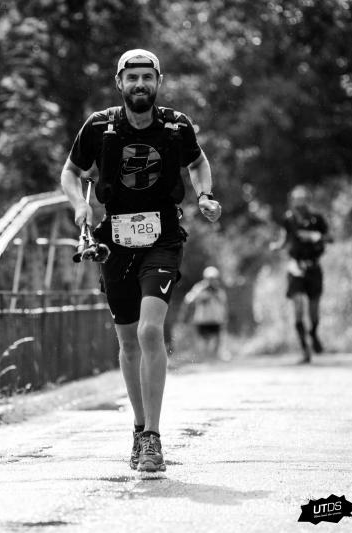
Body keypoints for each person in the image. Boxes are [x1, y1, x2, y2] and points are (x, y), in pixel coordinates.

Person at [60, 49, 221, 475]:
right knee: (128, 341)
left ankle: (153, 436)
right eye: (131, 78)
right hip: (114, 241)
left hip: (162, 237)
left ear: (158, 82)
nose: (140, 85)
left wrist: (204, 195)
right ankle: (137, 427)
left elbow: (198, 162)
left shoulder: (177, 126)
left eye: (147, 77)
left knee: (150, 331)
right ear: (119, 83)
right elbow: (70, 172)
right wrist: (79, 204)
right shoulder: (99, 126)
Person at [270, 186, 330, 363]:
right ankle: (305, 350)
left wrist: (313, 236)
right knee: (297, 307)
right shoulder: (289, 219)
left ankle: (314, 333)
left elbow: (330, 237)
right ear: (292, 201)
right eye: (296, 200)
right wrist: (277, 246)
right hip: (295, 267)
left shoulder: (317, 219)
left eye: (302, 200)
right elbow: (285, 239)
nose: (299, 204)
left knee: (313, 310)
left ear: (307, 201)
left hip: (314, 268)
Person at [183, 266, 228, 361]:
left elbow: (223, 303)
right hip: (202, 320)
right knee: (203, 343)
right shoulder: (199, 288)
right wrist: (202, 294)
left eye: (213, 278)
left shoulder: (218, 290)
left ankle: (214, 361)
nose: (211, 281)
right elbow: (189, 300)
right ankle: (204, 361)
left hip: (216, 320)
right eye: (209, 278)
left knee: (216, 343)